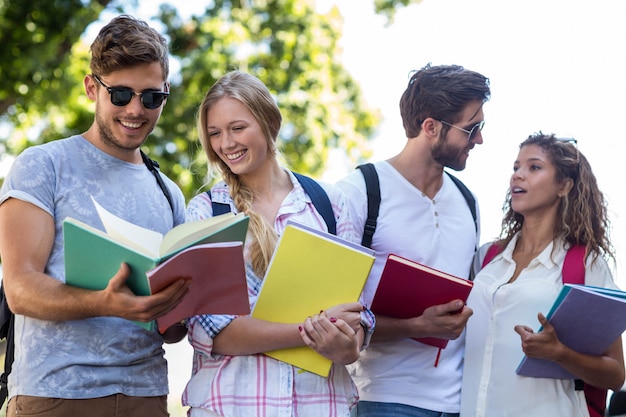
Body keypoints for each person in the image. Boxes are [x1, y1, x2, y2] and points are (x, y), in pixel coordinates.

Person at [0, 15, 190, 417]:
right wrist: (105, 303)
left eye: (151, 97)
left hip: (148, 396)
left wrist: (181, 307)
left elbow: (172, 331)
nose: (136, 110)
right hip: (56, 394)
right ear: (92, 87)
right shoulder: (44, 166)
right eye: (121, 95)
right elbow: (20, 289)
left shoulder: (169, 193)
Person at [181, 70, 375, 417]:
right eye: (214, 133)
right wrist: (311, 330)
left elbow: (354, 322)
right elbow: (214, 332)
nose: (226, 144)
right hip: (231, 407)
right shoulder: (207, 212)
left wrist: (346, 344)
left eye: (237, 128)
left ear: (271, 122)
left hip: (320, 406)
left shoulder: (330, 205)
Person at [336, 63, 491, 417]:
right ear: (431, 127)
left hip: (458, 404)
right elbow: (333, 313)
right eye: (472, 128)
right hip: (382, 400)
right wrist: (417, 327)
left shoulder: (469, 203)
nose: (480, 139)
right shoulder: (359, 192)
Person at [461, 133, 624, 416]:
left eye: (533, 167)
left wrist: (559, 353)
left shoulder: (586, 264)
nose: (518, 176)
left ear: (563, 185)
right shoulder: (487, 258)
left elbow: (615, 374)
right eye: (515, 168)